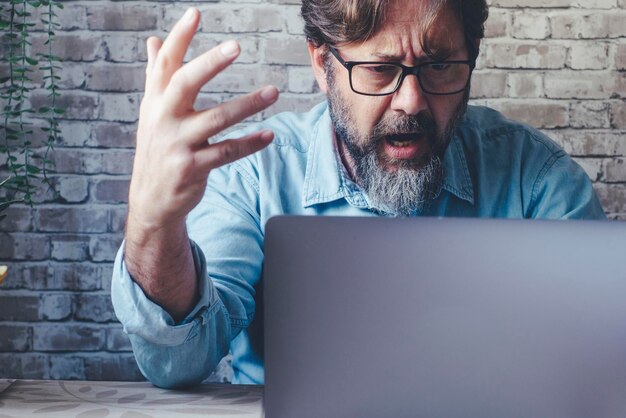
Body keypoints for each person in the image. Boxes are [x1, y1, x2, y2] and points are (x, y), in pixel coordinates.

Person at [111, 0, 606, 388]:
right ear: (321, 61)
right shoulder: (255, 177)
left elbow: (596, 369)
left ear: (473, 50)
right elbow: (179, 361)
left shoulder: (539, 182)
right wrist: (154, 223)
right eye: (378, 69)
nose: (410, 101)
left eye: (439, 66)